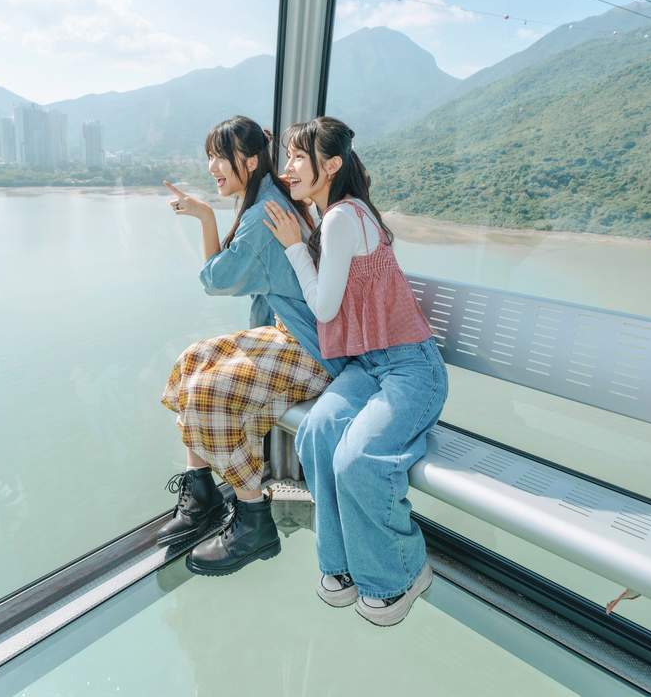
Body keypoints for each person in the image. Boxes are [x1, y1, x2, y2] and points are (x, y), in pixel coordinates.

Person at [263, 116, 448, 626]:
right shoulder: (341, 215)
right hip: (372, 367)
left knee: (356, 458)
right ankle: (343, 565)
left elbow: (324, 308)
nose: (289, 168)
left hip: (411, 370)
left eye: (299, 157)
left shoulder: (342, 218)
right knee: (317, 434)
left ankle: (402, 572)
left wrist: (293, 248)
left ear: (332, 165)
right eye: (289, 157)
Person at [159, 115, 345, 576]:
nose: (211, 167)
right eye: (209, 157)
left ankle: (252, 520)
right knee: (192, 361)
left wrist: (204, 217)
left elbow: (216, 279)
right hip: (290, 335)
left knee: (210, 391)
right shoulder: (263, 199)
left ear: (250, 159)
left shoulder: (263, 212)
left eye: (220, 157)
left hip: (312, 349)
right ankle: (202, 491)